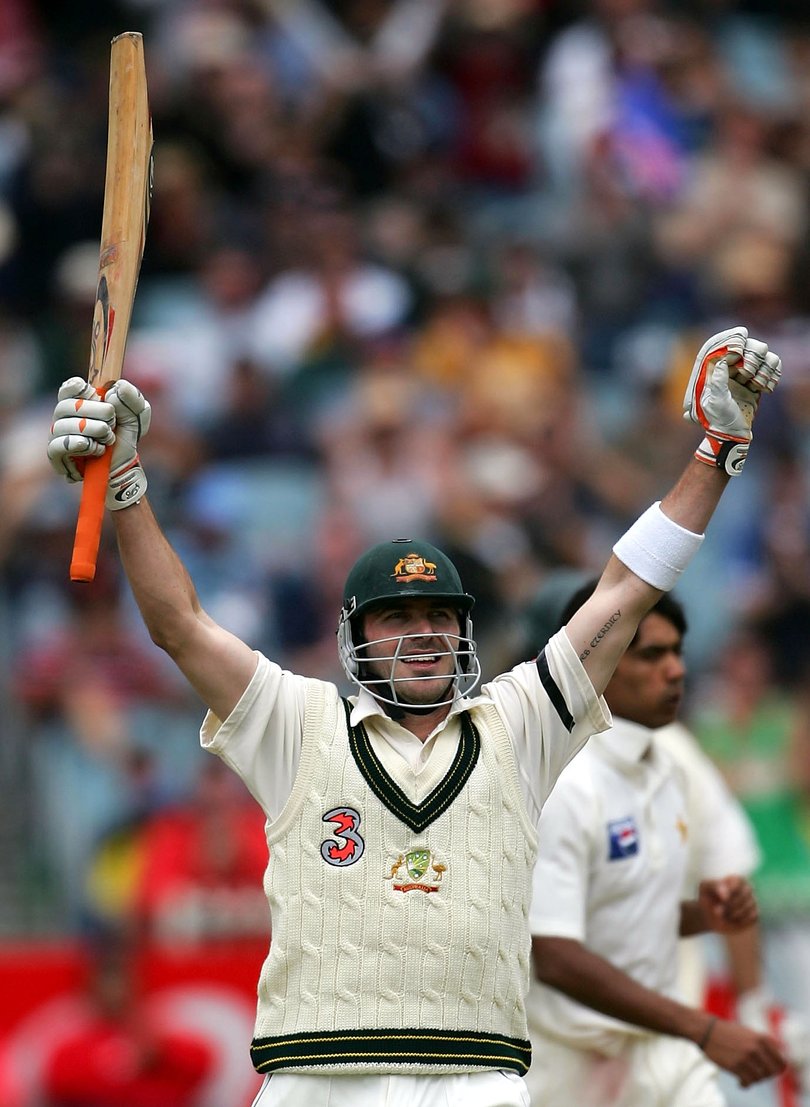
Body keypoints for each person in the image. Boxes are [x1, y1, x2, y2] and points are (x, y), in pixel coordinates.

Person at [45, 325, 783, 1107]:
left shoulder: (521, 722)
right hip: (314, 1077)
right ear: (354, 633)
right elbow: (179, 625)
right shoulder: (299, 725)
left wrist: (718, 449)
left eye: (439, 612)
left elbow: (627, 591)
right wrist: (125, 480)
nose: (423, 630)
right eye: (396, 616)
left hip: (476, 1077)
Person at [522, 578, 790, 1107]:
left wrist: (704, 916)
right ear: (596, 668)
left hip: (662, 1050)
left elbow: (622, 913)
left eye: (677, 653)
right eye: (651, 656)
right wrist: (704, 1028)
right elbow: (553, 953)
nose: (677, 670)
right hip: (567, 1064)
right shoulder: (561, 783)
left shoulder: (669, 764)